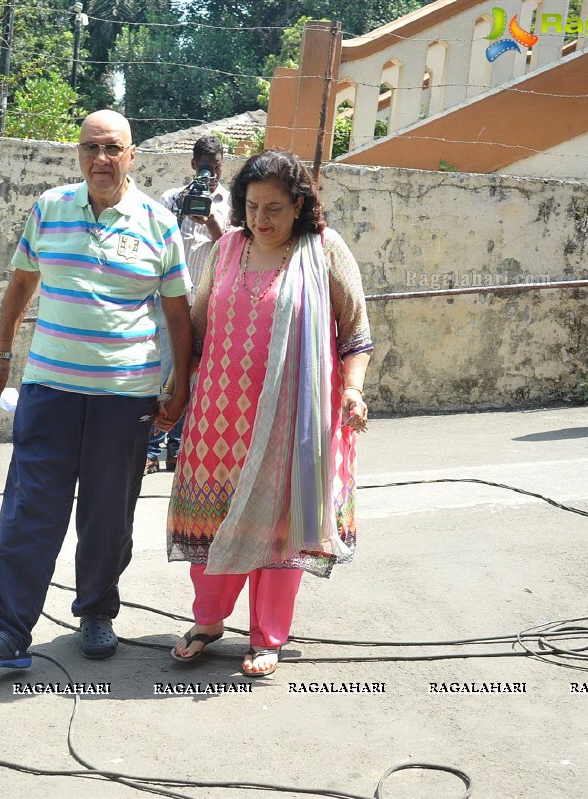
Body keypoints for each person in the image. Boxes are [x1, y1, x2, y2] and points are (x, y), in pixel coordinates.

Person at [0, 109, 193, 670]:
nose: (101, 160)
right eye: (91, 148)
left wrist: (179, 384)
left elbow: (178, 313)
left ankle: (96, 614)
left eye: (113, 148)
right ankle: (8, 633)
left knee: (109, 513)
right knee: (28, 509)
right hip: (49, 390)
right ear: (78, 154)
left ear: (133, 155)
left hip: (126, 395)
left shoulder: (159, 224)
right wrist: (1, 353)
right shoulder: (50, 209)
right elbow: (21, 282)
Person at [163, 148, 372, 678]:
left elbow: (356, 334)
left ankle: (268, 637)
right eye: (253, 206)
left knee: (281, 528)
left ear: (300, 205)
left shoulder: (324, 250)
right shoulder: (227, 250)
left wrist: (352, 391)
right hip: (218, 420)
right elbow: (199, 330)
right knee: (211, 518)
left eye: (275, 207)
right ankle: (208, 621)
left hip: (293, 423)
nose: (262, 219)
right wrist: (177, 392)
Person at [145, 136, 231, 475]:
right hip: (169, 305)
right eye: (206, 164)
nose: (212, 171)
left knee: (191, 380)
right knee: (162, 374)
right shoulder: (170, 199)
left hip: (206, 308)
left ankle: (177, 450)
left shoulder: (230, 203)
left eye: (218, 164)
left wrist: (210, 219)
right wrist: (184, 209)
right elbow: (154, 244)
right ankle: (151, 449)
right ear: (194, 164)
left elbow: (230, 249)